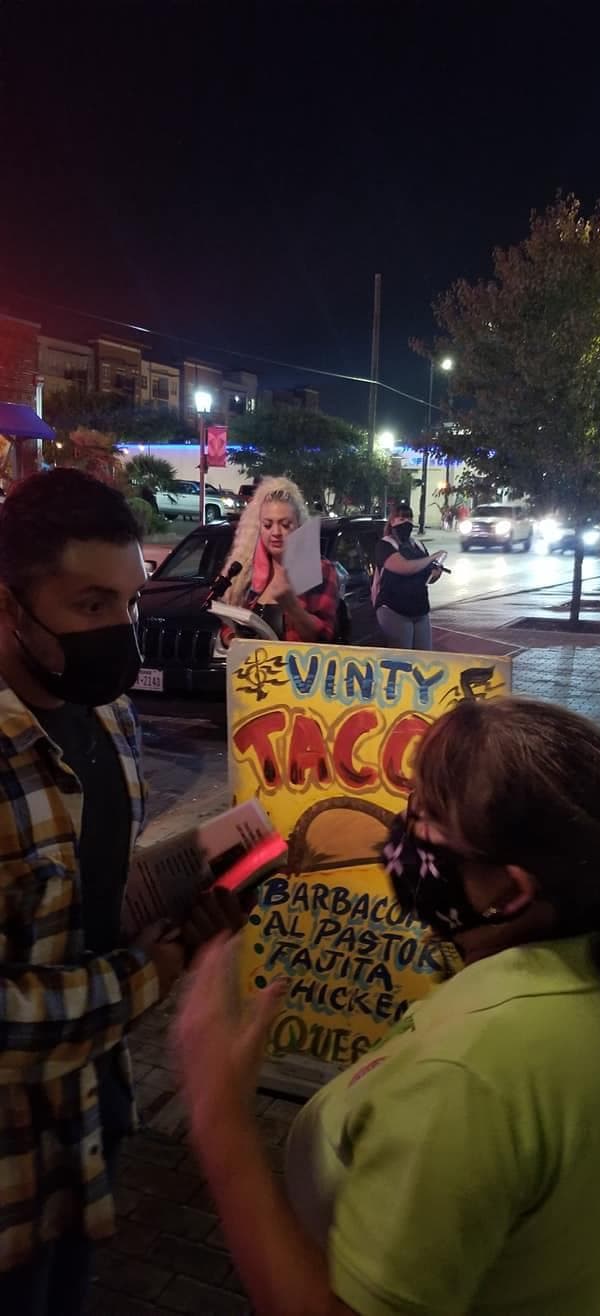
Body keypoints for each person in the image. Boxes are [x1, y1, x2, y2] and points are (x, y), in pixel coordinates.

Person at [175, 696, 600, 1316]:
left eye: (425, 814)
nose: (400, 826)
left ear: (509, 891)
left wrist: (219, 1117)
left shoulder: (471, 1073)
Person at [0, 469, 236, 1315]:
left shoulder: (106, 714)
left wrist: (184, 897)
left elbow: (86, 886)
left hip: (89, 1123)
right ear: (8, 605)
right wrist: (151, 972)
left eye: (130, 602)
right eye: (91, 605)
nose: (120, 632)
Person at [222, 475, 338, 642]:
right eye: (268, 525)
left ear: (298, 525)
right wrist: (232, 638)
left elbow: (324, 638)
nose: (276, 532)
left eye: (285, 525)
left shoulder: (319, 569)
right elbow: (228, 625)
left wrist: (291, 605)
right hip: (251, 659)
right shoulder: (246, 571)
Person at [374, 501, 443, 650]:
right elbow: (405, 568)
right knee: (402, 657)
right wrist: (432, 557)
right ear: (392, 522)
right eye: (402, 519)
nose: (407, 523)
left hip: (420, 610)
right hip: (394, 610)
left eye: (410, 519)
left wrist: (436, 572)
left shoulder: (417, 545)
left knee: (424, 657)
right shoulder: (385, 545)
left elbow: (428, 577)